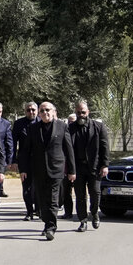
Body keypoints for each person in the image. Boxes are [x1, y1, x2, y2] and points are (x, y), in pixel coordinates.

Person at [19, 101, 75, 240]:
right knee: (42, 199)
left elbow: (69, 150)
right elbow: (25, 150)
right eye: (42, 111)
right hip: (38, 170)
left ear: (54, 111)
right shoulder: (33, 128)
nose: (45, 113)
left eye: (47, 110)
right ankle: (47, 223)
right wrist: (23, 169)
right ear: (39, 113)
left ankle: (51, 227)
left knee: (53, 199)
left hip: (56, 169)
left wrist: (72, 170)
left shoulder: (62, 127)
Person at [68, 99, 109, 231]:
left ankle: (95, 213)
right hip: (78, 168)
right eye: (79, 112)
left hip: (94, 167)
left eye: (83, 112)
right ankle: (83, 220)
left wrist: (105, 165)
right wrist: (69, 169)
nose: (81, 114)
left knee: (95, 193)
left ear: (88, 112)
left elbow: (104, 147)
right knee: (80, 196)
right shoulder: (70, 129)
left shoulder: (98, 127)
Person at [13, 102, 39, 220]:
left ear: (37, 110)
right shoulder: (19, 124)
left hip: (40, 160)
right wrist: (13, 160)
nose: (31, 112)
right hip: (25, 160)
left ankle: (39, 210)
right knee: (27, 187)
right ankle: (29, 212)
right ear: (25, 111)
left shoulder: (41, 122)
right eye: (28, 110)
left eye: (33, 110)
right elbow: (13, 143)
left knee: (39, 186)